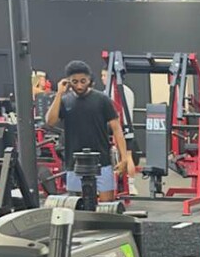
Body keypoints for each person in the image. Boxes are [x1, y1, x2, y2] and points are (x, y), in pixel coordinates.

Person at [46, 59, 134, 203]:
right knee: (77, 205)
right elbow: (50, 121)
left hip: (102, 161)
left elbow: (117, 129)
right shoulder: (65, 101)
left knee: (106, 205)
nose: (79, 85)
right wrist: (59, 94)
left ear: (89, 80)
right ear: (68, 82)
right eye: (75, 82)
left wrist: (124, 158)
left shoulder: (102, 100)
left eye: (83, 81)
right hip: (74, 163)